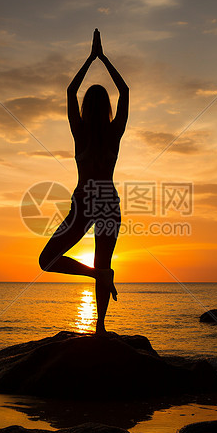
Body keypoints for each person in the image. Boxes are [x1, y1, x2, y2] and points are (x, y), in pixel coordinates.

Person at [38, 29, 128, 335]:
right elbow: (125, 92)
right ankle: (100, 278)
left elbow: (69, 91)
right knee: (51, 259)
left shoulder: (85, 134)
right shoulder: (105, 133)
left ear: (86, 108)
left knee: (50, 260)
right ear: (105, 108)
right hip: (97, 201)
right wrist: (101, 58)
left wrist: (92, 59)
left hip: (91, 201)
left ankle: (100, 324)